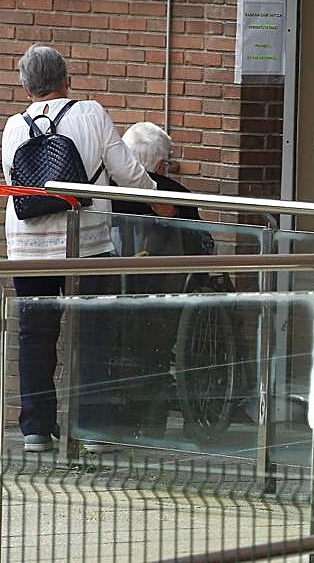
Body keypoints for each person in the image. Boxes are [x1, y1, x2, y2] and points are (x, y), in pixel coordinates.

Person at [2, 44, 157, 453]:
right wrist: (158, 196)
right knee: (95, 332)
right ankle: (93, 427)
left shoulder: (13, 127)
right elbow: (128, 173)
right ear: (67, 79)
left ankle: (35, 428)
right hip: (86, 242)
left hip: (28, 245)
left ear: (26, 86)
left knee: (34, 335)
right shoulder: (91, 113)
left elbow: (14, 182)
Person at [112, 122, 215, 439]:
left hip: (115, 290)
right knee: (158, 340)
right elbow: (201, 248)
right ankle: (154, 417)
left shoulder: (107, 193)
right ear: (160, 164)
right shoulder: (177, 195)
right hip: (166, 296)